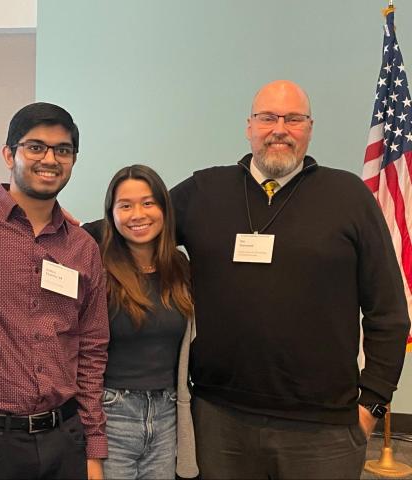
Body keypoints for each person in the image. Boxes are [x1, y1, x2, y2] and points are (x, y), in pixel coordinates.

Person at [170, 80, 411, 479]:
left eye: (293, 118)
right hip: (219, 419)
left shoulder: (348, 196)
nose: (279, 128)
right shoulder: (203, 191)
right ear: (249, 126)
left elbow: (389, 312)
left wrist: (373, 405)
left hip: (324, 428)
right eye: (268, 117)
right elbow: (132, 227)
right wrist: (43, 214)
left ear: (310, 128)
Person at [0, 102, 109, 480]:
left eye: (62, 150)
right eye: (35, 146)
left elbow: (92, 349)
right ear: (9, 154)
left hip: (64, 441)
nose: (49, 159)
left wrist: (93, 448)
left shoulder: (83, 247)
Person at [86, 165, 198, 479]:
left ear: (164, 208)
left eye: (148, 203)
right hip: (111, 412)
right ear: (111, 213)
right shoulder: (96, 266)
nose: (138, 214)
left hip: (167, 414)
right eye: (125, 205)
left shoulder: (179, 266)